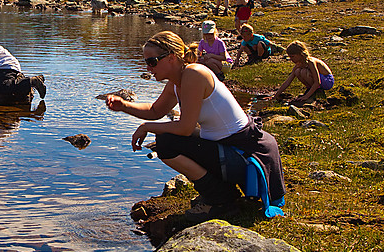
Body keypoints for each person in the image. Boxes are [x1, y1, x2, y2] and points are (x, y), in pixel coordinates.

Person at [105, 31, 285, 222]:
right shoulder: (178, 80)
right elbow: (155, 110)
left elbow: (185, 128)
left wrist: (146, 127)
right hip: (231, 147)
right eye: (146, 62)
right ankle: (218, 191)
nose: (148, 68)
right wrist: (124, 106)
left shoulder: (193, 74)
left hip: (246, 154)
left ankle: (220, 198)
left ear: (172, 57)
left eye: (152, 62)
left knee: (166, 142)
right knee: (168, 139)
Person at [272, 40, 334, 104]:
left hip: (326, 80)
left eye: (293, 56)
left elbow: (317, 82)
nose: (291, 59)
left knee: (303, 72)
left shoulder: (310, 62)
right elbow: (288, 81)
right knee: (297, 71)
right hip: (318, 81)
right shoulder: (299, 65)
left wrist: (306, 97)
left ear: (301, 54)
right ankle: (310, 90)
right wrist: (276, 95)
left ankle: (314, 91)